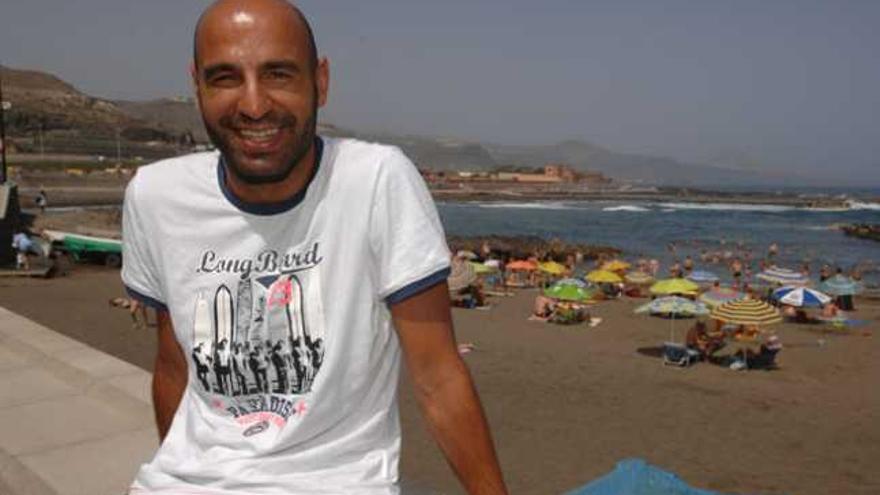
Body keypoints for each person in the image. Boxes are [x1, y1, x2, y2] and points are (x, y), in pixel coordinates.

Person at [119, 2, 507, 494]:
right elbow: (174, 364)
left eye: (278, 74)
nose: (254, 105)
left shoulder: (375, 182)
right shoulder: (156, 196)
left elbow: (438, 375)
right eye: (225, 78)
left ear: (320, 81)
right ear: (197, 85)